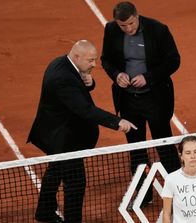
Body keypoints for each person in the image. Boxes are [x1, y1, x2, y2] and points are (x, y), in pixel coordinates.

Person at [27, 40, 136, 223]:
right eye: (91, 60)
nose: (94, 64)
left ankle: (44, 211)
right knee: (75, 184)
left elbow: (79, 86)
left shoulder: (61, 62)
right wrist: (117, 121)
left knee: (55, 171)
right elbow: (85, 110)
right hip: (64, 140)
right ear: (77, 57)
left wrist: (90, 83)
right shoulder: (63, 79)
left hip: (57, 133)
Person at [100, 1, 181, 207]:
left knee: (164, 146)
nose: (127, 29)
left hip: (156, 99)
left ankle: (180, 193)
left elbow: (173, 60)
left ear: (137, 16)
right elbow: (106, 60)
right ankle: (144, 195)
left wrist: (149, 77)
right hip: (128, 100)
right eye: (123, 26)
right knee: (136, 149)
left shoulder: (158, 30)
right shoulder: (111, 29)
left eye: (130, 24)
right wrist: (116, 75)